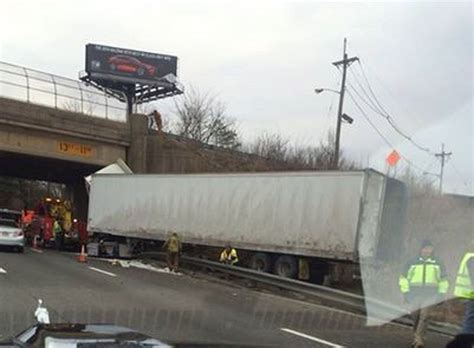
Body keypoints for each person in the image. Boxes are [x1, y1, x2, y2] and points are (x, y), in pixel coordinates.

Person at [398, 239, 449, 348]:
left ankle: (419, 340)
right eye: (425, 248)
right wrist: (406, 292)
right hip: (414, 294)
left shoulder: (438, 262)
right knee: (415, 316)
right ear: (421, 249)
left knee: (424, 316)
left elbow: (444, 280)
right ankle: (418, 336)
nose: (427, 250)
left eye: (430, 248)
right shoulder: (412, 262)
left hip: (431, 294)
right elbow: (403, 279)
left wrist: (441, 293)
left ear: (433, 249)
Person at [454, 239, 474, 334]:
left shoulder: (469, 257)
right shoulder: (472, 258)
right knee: (470, 323)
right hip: (471, 296)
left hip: (469, 295)